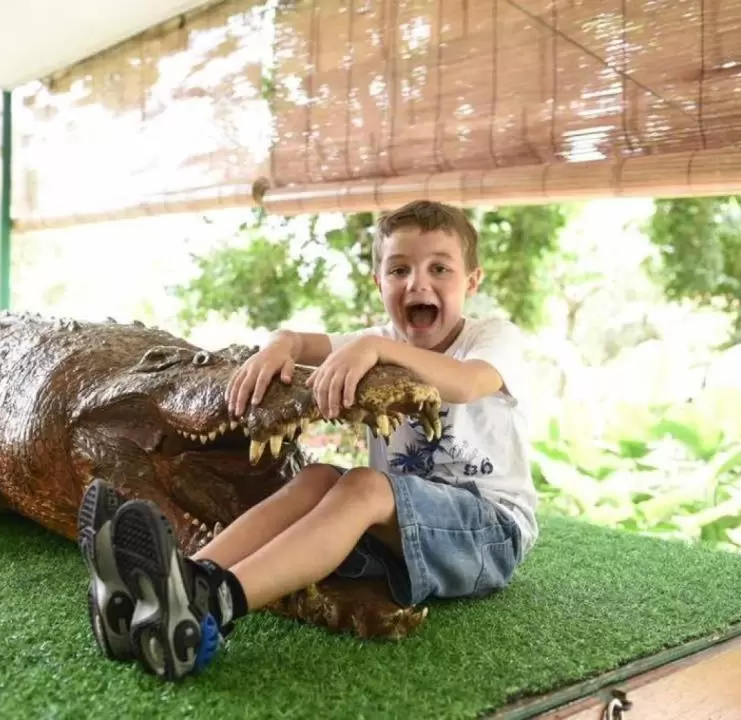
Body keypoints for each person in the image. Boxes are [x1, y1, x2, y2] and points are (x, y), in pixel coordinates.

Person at [76, 199, 539, 682]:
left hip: (491, 532)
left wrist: (375, 349)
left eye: (439, 268)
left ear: (472, 282)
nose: (417, 283)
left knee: (364, 485)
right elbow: (301, 340)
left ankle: (215, 602)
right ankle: (180, 584)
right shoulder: (377, 336)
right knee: (318, 475)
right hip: (403, 528)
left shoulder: (493, 337)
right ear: (379, 283)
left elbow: (466, 383)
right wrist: (281, 344)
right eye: (399, 269)